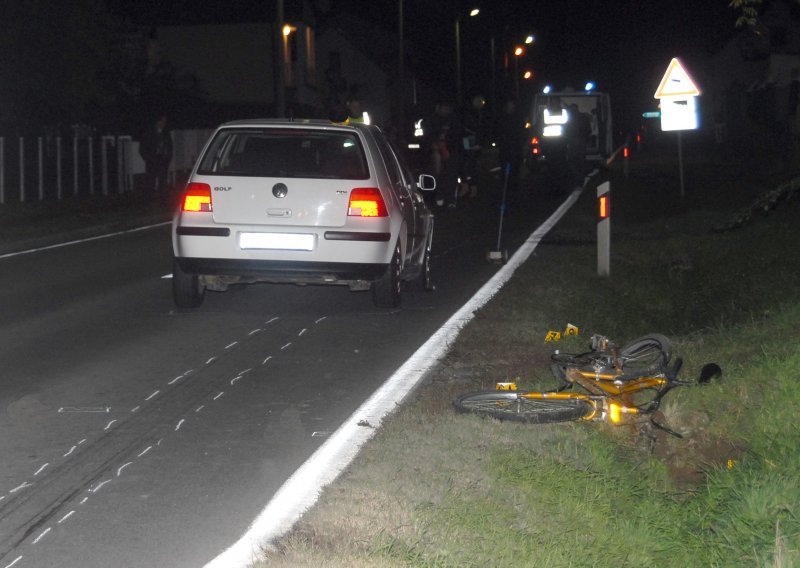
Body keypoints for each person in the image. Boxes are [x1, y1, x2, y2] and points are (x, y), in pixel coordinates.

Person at [425, 100, 463, 207]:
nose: (446, 110)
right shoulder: (432, 120)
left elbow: (457, 135)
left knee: (451, 175)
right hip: (436, 152)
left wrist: (447, 145)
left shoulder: (454, 119)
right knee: (437, 174)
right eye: (444, 107)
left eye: (448, 107)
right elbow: (428, 137)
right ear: (439, 107)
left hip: (451, 151)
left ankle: (451, 199)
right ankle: (439, 195)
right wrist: (437, 145)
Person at [139, 113, 173, 195]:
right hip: (152, 159)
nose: (164, 123)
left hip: (163, 159)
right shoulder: (149, 132)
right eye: (162, 121)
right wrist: (148, 158)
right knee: (151, 179)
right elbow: (142, 147)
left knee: (163, 179)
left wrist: (168, 157)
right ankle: (149, 197)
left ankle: (162, 197)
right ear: (158, 121)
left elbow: (170, 145)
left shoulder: (165, 132)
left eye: (165, 121)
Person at [496, 99, 525, 194]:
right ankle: (506, 188)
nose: (510, 109)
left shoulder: (518, 119)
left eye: (512, 107)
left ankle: (514, 188)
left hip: (516, 149)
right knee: (505, 171)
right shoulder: (502, 119)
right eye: (508, 107)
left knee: (514, 170)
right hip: (505, 149)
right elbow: (499, 133)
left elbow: (521, 134)